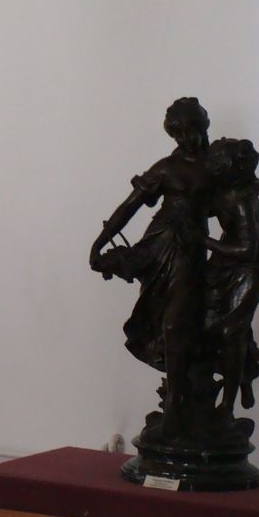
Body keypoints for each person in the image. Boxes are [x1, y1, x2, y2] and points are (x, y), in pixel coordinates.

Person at [89, 98, 212, 436]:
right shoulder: (167, 168)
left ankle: (177, 407)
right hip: (158, 246)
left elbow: (247, 189)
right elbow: (129, 207)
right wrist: (100, 242)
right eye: (178, 135)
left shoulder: (218, 164)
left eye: (189, 132)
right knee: (161, 320)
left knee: (176, 322)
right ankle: (175, 402)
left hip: (191, 249)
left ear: (202, 126)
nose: (185, 140)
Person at [202, 138, 259, 422]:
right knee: (206, 319)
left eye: (216, 159)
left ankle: (228, 404)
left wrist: (203, 241)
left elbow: (247, 250)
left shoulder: (242, 199)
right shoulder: (221, 187)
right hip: (224, 260)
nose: (210, 163)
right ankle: (245, 371)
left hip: (249, 266)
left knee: (233, 331)